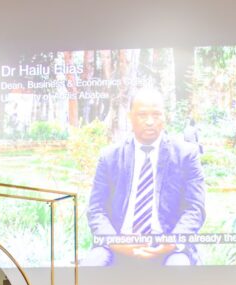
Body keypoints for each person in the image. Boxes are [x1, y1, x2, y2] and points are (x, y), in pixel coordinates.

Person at [86, 86, 206, 267]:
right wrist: (116, 242)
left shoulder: (186, 155)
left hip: (168, 248)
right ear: (130, 117)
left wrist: (170, 242)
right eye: (142, 115)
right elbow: (96, 210)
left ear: (164, 117)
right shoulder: (110, 157)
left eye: (156, 115)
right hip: (117, 244)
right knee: (93, 264)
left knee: (179, 267)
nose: (150, 121)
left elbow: (195, 209)